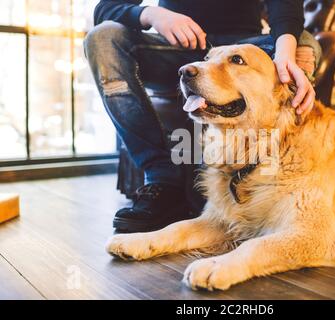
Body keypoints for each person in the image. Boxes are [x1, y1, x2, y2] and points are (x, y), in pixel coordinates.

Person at [85, 0, 319, 232]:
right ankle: (163, 179)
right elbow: (106, 8)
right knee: (102, 38)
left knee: (303, 43)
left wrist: (285, 56)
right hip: (172, 47)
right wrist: (154, 15)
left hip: (243, 47)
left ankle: (279, 174)